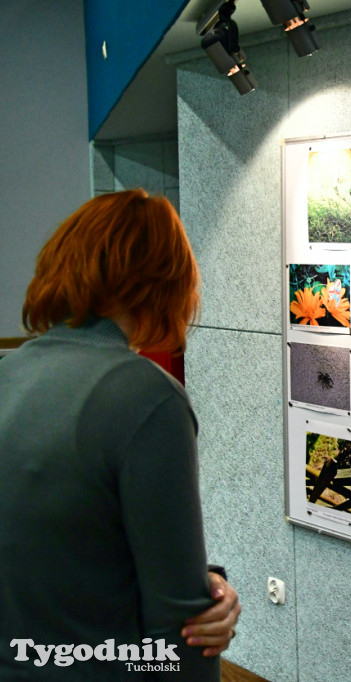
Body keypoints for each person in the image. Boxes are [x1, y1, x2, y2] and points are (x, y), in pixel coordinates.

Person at [0, 189, 240, 679]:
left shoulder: (9, 373)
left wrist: (208, 579)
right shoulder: (148, 397)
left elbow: (66, 551)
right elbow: (182, 626)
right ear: (165, 280)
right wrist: (204, 596)